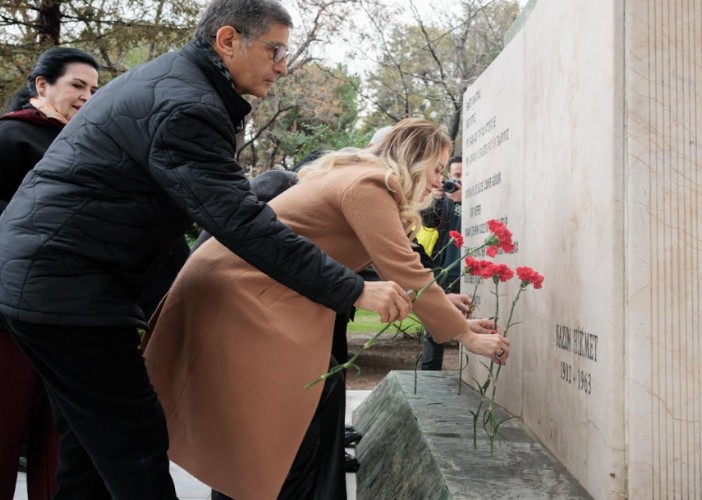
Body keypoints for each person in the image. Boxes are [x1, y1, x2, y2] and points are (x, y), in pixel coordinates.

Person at [0, 0, 410, 498]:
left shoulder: (180, 85)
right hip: (65, 288)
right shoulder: (186, 104)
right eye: (275, 50)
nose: (283, 65)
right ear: (228, 40)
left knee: (93, 449)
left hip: (51, 281)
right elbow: (239, 222)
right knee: (136, 443)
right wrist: (350, 290)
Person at [143, 118, 511, 499]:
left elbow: (354, 256)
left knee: (275, 430)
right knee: (285, 429)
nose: (440, 181)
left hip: (243, 292)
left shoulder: (356, 176)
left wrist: (442, 305)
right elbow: (403, 268)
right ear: (414, 158)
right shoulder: (372, 183)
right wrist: (464, 334)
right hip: (244, 297)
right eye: (436, 168)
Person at [0, 46, 99, 500]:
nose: (87, 96)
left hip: (72, 314)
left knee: (60, 444)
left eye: (93, 89)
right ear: (42, 85)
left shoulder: (87, 145)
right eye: (77, 85)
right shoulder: (10, 138)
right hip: (10, 316)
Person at [420, 155, 465, 370]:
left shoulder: (475, 200)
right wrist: (437, 199)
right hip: (443, 267)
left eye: (464, 176)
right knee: (433, 321)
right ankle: (429, 370)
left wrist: (463, 201)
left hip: (466, 268)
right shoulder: (444, 198)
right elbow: (428, 222)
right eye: (456, 176)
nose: (458, 181)